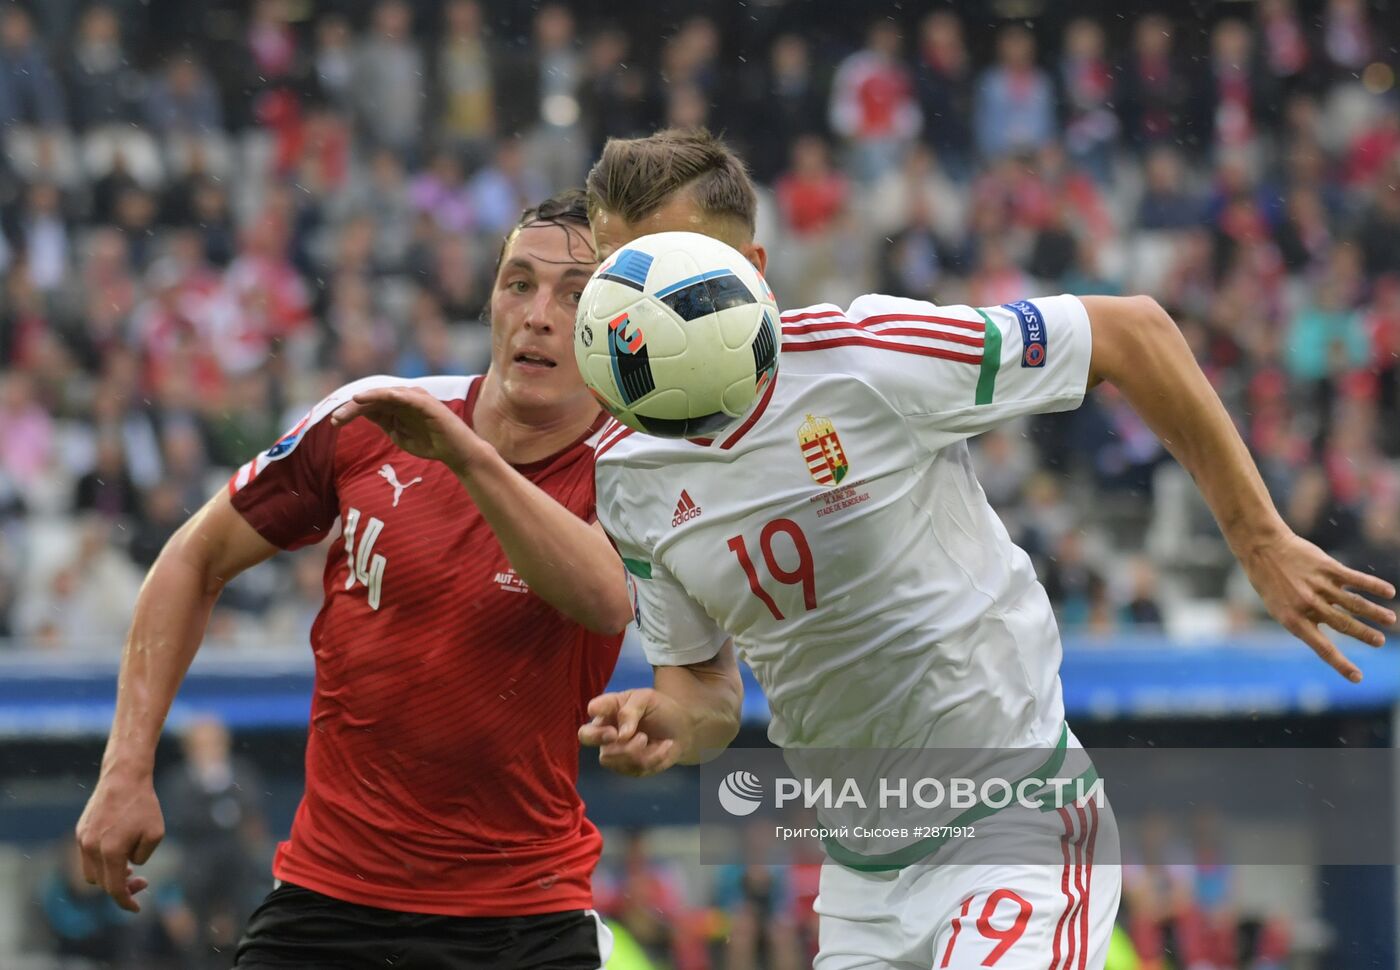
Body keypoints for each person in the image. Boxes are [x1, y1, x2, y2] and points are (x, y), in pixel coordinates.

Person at [568, 128, 1394, 970]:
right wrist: (668, 719)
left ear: (757, 269)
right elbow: (704, 688)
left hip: (1015, 828)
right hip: (861, 883)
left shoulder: (866, 360)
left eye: (675, 276)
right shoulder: (624, 472)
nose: (638, 314)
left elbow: (1133, 332)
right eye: (614, 278)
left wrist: (1259, 539)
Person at [74, 189, 629, 969]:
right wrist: (126, 765)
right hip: (325, 905)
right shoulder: (374, 418)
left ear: (615, 324)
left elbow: (603, 600)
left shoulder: (634, 465)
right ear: (489, 302)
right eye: (518, 283)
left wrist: (468, 457)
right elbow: (191, 559)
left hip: (521, 921)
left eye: (575, 295)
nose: (538, 314)